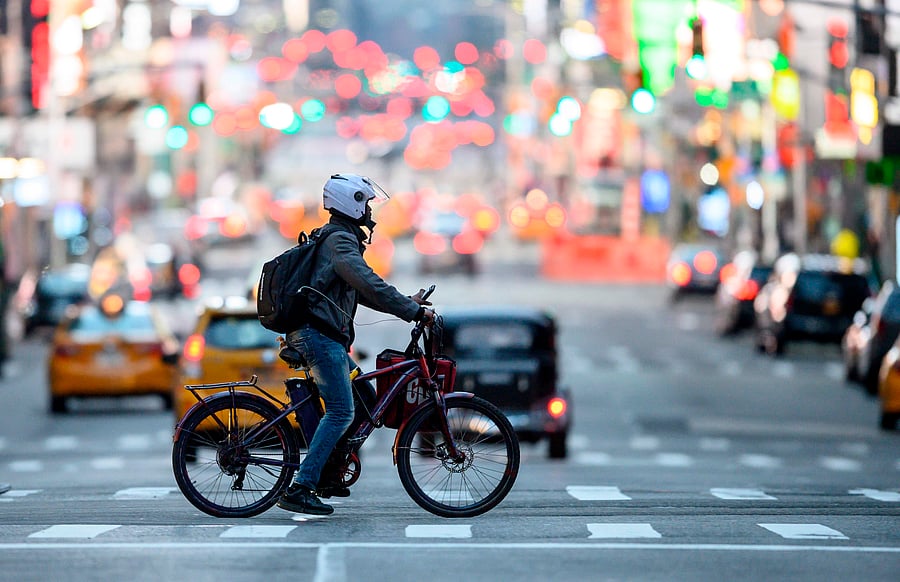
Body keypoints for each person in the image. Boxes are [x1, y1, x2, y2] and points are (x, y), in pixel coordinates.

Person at [277, 173, 434, 516]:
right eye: (366, 205)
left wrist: (407, 302)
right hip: (318, 336)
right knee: (341, 411)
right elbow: (367, 281)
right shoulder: (340, 243)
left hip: (322, 335)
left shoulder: (340, 239)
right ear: (352, 203)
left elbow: (362, 291)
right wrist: (410, 311)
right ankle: (302, 486)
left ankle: (328, 474)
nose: (370, 214)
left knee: (363, 398)